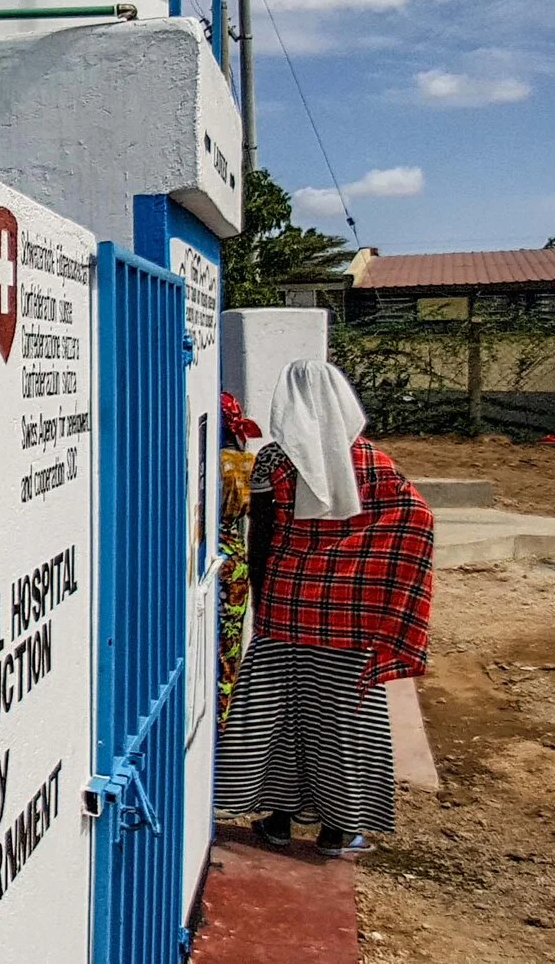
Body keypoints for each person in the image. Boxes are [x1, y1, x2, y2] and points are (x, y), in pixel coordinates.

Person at [213, 360, 435, 858]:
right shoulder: (375, 464)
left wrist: (266, 595)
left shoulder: (274, 463)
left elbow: (262, 537)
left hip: (286, 611)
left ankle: (276, 818)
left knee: (279, 717)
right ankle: (341, 829)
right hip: (350, 622)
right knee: (345, 722)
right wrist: (374, 580)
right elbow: (417, 519)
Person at [213, 392, 259, 728]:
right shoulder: (244, 462)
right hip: (238, 562)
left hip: (214, 559)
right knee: (229, 646)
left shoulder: (212, 461)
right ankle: (226, 716)